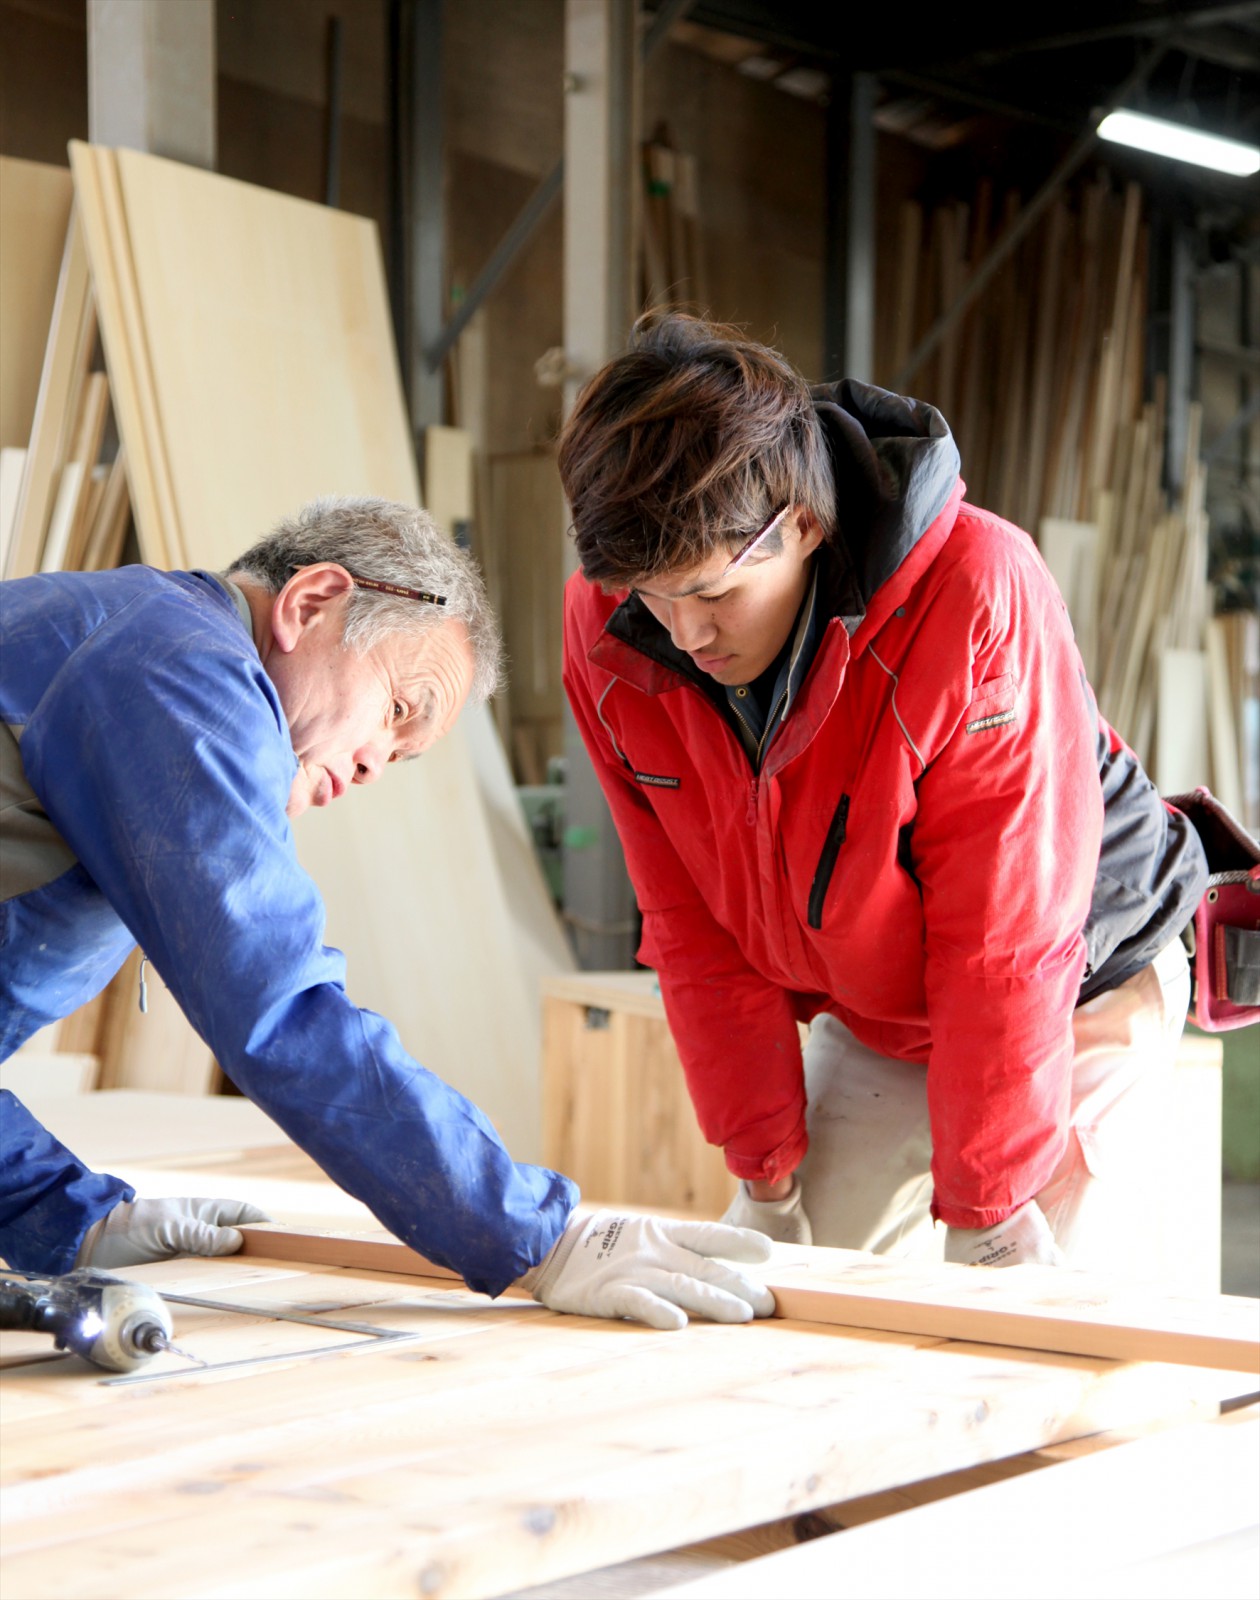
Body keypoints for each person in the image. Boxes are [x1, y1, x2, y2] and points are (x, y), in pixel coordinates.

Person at [0, 496, 774, 1332]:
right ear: (310, 603)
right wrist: (532, 1234)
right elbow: (280, 1011)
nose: (373, 766)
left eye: (400, 759)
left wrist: (62, 1212)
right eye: (399, 710)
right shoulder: (181, 672)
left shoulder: (141, 646)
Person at [559, 313, 1208, 1276]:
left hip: (1077, 988)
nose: (684, 632)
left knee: (1032, 1329)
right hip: (877, 1008)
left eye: (711, 592)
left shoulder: (979, 595)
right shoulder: (614, 626)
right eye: (651, 595)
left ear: (804, 523)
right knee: (785, 1285)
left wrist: (989, 1206)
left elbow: (1005, 937)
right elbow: (688, 917)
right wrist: (765, 1171)